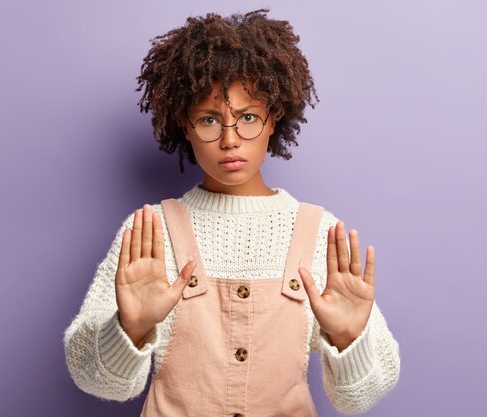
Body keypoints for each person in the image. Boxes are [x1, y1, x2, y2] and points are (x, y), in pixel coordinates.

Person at [64, 9, 400, 416]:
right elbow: (96, 380)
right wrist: (131, 329)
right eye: (209, 119)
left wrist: (349, 337)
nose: (229, 139)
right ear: (184, 126)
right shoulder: (151, 233)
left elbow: (360, 397)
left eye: (247, 118)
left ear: (274, 119)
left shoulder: (319, 234)